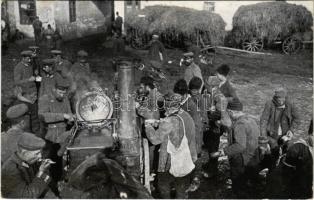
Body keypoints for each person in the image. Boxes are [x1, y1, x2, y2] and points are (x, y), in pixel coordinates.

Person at [144, 92, 197, 199]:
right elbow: (176, 127)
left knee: (163, 185)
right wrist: (159, 123)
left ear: (167, 105)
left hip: (169, 161)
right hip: (187, 158)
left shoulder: (169, 121)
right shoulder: (186, 115)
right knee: (181, 188)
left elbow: (154, 140)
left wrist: (148, 126)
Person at [211, 100, 259, 198]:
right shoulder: (251, 120)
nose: (229, 115)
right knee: (248, 182)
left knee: (238, 184)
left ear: (232, 112)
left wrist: (222, 152)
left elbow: (240, 146)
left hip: (241, 159)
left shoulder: (239, 124)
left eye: (229, 113)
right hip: (252, 157)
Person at [38, 75, 73, 194]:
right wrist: (62, 116)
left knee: (60, 162)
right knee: (50, 164)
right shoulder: (45, 99)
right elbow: (43, 116)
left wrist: (71, 118)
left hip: (63, 135)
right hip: (50, 137)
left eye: (64, 92)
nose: (62, 95)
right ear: (54, 89)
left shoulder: (65, 99)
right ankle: (50, 189)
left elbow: (69, 113)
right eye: (60, 92)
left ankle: (59, 185)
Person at [1, 132, 53, 198]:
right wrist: (42, 172)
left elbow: (43, 187)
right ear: (24, 153)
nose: (40, 156)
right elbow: (27, 196)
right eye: (37, 154)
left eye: (40, 153)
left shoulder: (30, 161)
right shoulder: (10, 170)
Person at [260, 87, 300, 169]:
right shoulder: (269, 104)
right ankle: (271, 170)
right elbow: (263, 120)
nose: (280, 102)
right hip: (272, 135)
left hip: (285, 134)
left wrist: (291, 130)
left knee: (289, 150)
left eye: (282, 100)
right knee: (273, 152)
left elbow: (297, 119)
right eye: (278, 100)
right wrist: (264, 140)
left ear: (285, 98)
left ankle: (285, 170)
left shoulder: (290, 104)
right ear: (275, 98)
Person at [203, 76, 231, 178]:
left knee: (213, 147)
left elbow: (219, 114)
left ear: (212, 86)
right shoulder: (210, 94)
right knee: (208, 144)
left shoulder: (220, 97)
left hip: (216, 127)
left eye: (208, 85)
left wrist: (207, 114)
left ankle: (213, 170)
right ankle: (210, 163)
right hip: (210, 124)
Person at [14, 50, 40, 136]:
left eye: (30, 58)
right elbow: (17, 82)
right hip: (25, 95)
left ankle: (36, 133)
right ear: (23, 58)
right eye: (28, 58)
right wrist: (28, 80)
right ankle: (28, 134)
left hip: (33, 94)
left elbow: (35, 69)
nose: (30, 60)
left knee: (35, 115)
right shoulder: (18, 67)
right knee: (27, 116)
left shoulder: (30, 65)